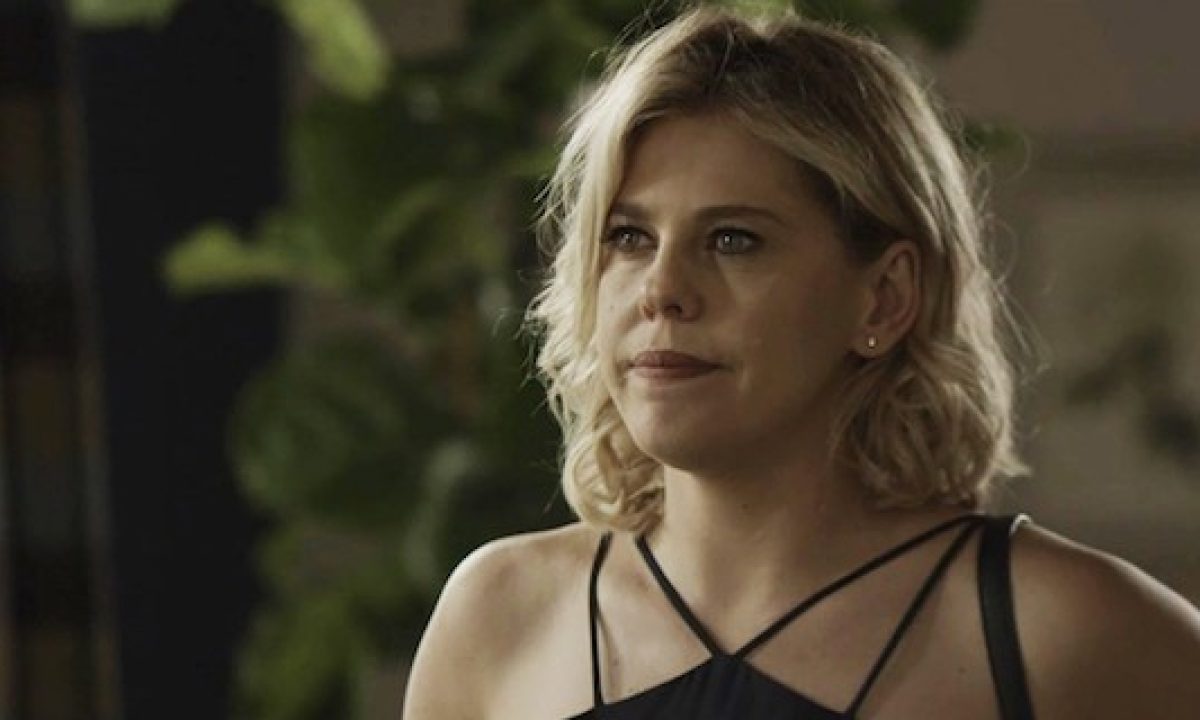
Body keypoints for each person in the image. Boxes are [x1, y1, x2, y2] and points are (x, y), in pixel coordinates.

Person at [402, 5, 1200, 719]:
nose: (662, 290)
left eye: (733, 240)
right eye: (629, 237)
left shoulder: (1064, 633)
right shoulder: (499, 616)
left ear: (884, 298)